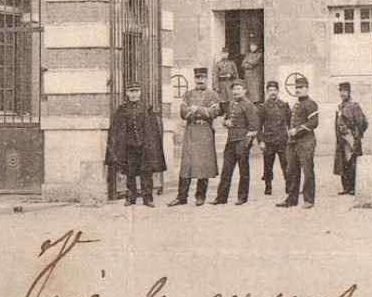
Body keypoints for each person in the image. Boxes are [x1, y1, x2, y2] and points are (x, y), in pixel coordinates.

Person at [105, 81, 166, 207]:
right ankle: (131, 197)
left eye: (136, 91)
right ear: (127, 93)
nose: (134, 94)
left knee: (146, 171)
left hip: (144, 145)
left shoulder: (146, 108)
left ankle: (147, 198)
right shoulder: (122, 109)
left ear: (140, 92)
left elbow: (153, 129)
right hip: (129, 146)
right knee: (130, 172)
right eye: (131, 91)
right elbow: (116, 129)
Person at [169, 67, 220, 208]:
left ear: (207, 79)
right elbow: (182, 112)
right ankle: (182, 196)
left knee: (203, 164)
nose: (200, 81)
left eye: (203, 78)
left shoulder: (213, 95)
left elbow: (215, 111)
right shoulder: (188, 94)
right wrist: (198, 112)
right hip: (191, 130)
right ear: (194, 79)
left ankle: (200, 195)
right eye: (198, 78)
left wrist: (197, 109)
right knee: (186, 164)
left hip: (205, 131)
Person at [212, 80, 260, 205]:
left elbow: (254, 127)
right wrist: (226, 122)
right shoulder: (231, 104)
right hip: (231, 140)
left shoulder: (249, 105)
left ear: (245, 90)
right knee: (226, 170)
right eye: (234, 89)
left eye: (239, 89)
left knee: (243, 170)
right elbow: (228, 118)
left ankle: (242, 197)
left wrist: (246, 142)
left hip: (242, 141)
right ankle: (221, 197)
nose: (236, 91)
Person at [278, 76, 319, 209]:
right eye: (296, 88)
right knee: (291, 171)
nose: (298, 90)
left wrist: (298, 130)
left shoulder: (311, 104)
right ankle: (292, 199)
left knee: (307, 170)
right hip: (293, 142)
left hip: (306, 141)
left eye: (301, 88)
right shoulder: (296, 104)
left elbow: (313, 123)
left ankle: (308, 200)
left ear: (307, 88)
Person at [333, 82, 368, 195]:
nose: (342, 93)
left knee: (353, 162)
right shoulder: (339, 107)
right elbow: (336, 124)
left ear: (349, 92)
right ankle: (346, 188)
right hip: (342, 140)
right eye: (341, 91)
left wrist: (356, 136)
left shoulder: (355, 107)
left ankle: (354, 187)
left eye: (345, 91)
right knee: (343, 162)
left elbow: (362, 123)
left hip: (352, 140)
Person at [257, 80, 291, 195]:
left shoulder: (284, 105)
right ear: (267, 92)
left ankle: (289, 185)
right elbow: (258, 126)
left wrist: (290, 138)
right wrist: (261, 141)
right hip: (269, 141)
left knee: (286, 163)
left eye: (274, 90)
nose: (272, 92)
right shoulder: (262, 107)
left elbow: (290, 124)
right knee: (268, 165)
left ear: (278, 91)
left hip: (282, 140)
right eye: (270, 90)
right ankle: (268, 186)